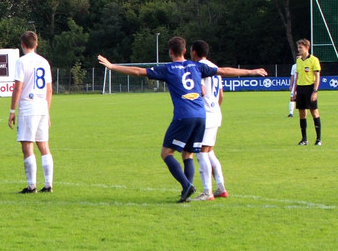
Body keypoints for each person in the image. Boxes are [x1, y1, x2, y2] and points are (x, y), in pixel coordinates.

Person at [98, 36, 266, 202]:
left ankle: (187, 186)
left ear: (170, 52)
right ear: (185, 50)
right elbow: (225, 71)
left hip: (184, 116)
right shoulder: (197, 66)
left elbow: (138, 71)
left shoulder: (168, 69)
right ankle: (187, 191)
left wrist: (112, 66)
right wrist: (251, 71)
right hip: (201, 116)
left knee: (166, 153)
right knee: (188, 154)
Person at [8, 31, 54, 194]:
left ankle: (31, 185)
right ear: (36, 44)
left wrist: (12, 110)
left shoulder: (22, 62)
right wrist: (47, 112)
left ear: (22, 45)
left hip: (28, 106)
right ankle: (48, 185)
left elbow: (18, 87)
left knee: (27, 146)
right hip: (42, 106)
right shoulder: (44, 62)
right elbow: (49, 89)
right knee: (44, 146)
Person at [190, 40, 228, 200]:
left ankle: (207, 192)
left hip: (205, 113)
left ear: (194, 52)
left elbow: (202, 91)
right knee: (210, 151)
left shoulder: (198, 68)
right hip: (215, 112)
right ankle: (221, 188)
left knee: (200, 153)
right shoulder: (215, 68)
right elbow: (221, 95)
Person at [292, 38, 322, 146]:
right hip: (300, 88)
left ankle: (318, 139)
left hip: (310, 88)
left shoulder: (314, 60)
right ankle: (304, 139)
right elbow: (297, 76)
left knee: (314, 112)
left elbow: (317, 77)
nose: (299, 49)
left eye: (301, 47)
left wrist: (315, 91)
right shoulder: (299, 61)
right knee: (302, 114)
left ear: (307, 48)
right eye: (298, 47)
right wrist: (294, 91)